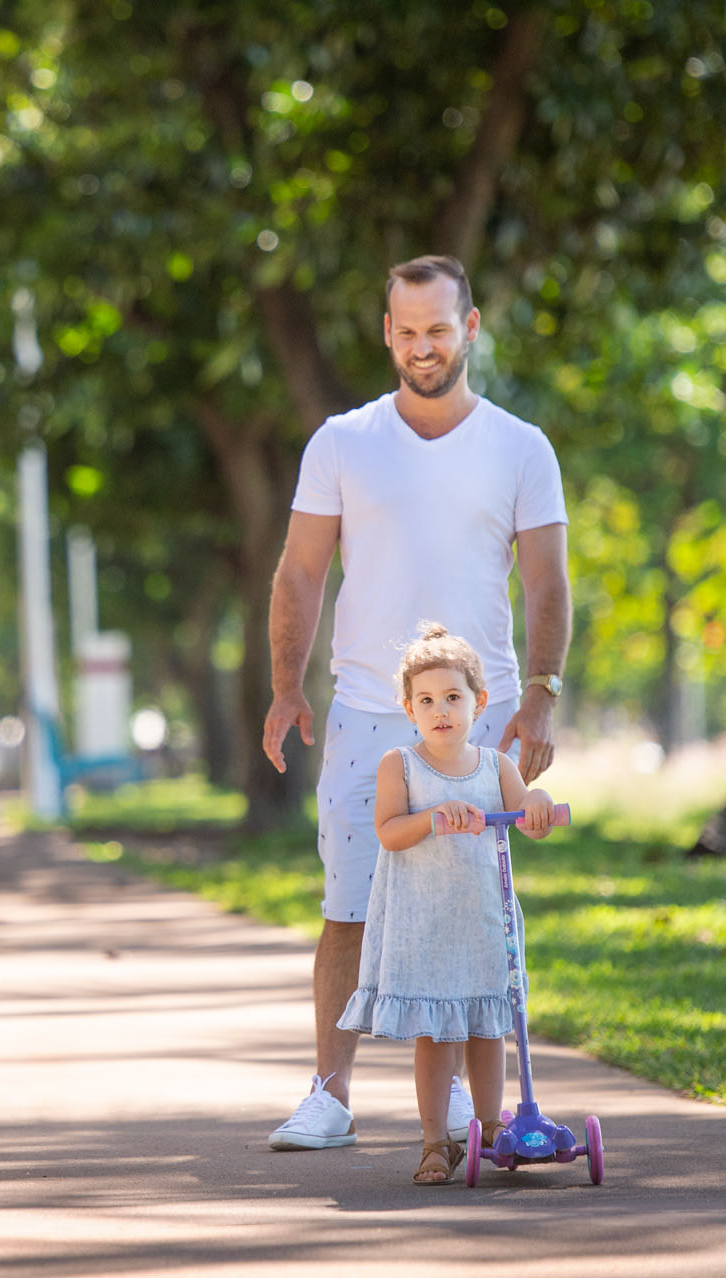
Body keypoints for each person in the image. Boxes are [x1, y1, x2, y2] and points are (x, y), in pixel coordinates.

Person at [262, 255, 570, 1152]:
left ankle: (479, 1107)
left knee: (478, 912)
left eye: (439, 329)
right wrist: (287, 685)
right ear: (386, 333)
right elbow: (301, 571)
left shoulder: (521, 447)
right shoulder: (342, 443)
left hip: (482, 721)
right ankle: (330, 1093)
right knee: (349, 906)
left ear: (469, 328)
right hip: (367, 712)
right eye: (407, 330)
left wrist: (542, 695)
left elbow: (549, 583)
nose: (423, 345)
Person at [337, 624, 557, 1183]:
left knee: (487, 1030)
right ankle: (436, 1141)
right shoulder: (401, 766)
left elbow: (528, 817)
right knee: (437, 1037)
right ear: (409, 709)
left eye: (453, 698)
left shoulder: (495, 766)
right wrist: (434, 819)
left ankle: (490, 1129)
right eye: (427, 700)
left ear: (478, 702)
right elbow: (388, 831)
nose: (440, 711)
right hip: (426, 923)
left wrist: (538, 804)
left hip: (485, 920)